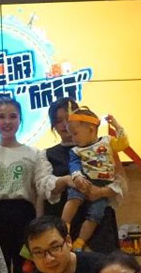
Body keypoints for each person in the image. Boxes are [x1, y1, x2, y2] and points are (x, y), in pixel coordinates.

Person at [0, 97, 72, 273]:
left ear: (20, 120)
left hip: (25, 216)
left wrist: (38, 223)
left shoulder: (35, 153)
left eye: (13, 116)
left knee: (26, 272)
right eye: (1, 117)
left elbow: (40, 193)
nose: (7, 122)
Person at [44, 98, 120, 254]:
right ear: (53, 126)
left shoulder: (104, 146)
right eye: (58, 121)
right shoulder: (47, 154)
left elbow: (122, 183)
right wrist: (68, 180)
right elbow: (45, 189)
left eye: (68, 118)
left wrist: (100, 192)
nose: (65, 124)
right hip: (67, 227)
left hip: (100, 225)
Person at [59, 107, 129, 252]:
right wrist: (77, 176)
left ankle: (80, 241)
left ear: (91, 129)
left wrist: (116, 125)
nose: (73, 138)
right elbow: (74, 165)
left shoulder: (108, 142)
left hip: (103, 184)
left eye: (75, 134)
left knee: (95, 216)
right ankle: (63, 225)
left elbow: (123, 143)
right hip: (83, 182)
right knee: (74, 199)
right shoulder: (76, 150)